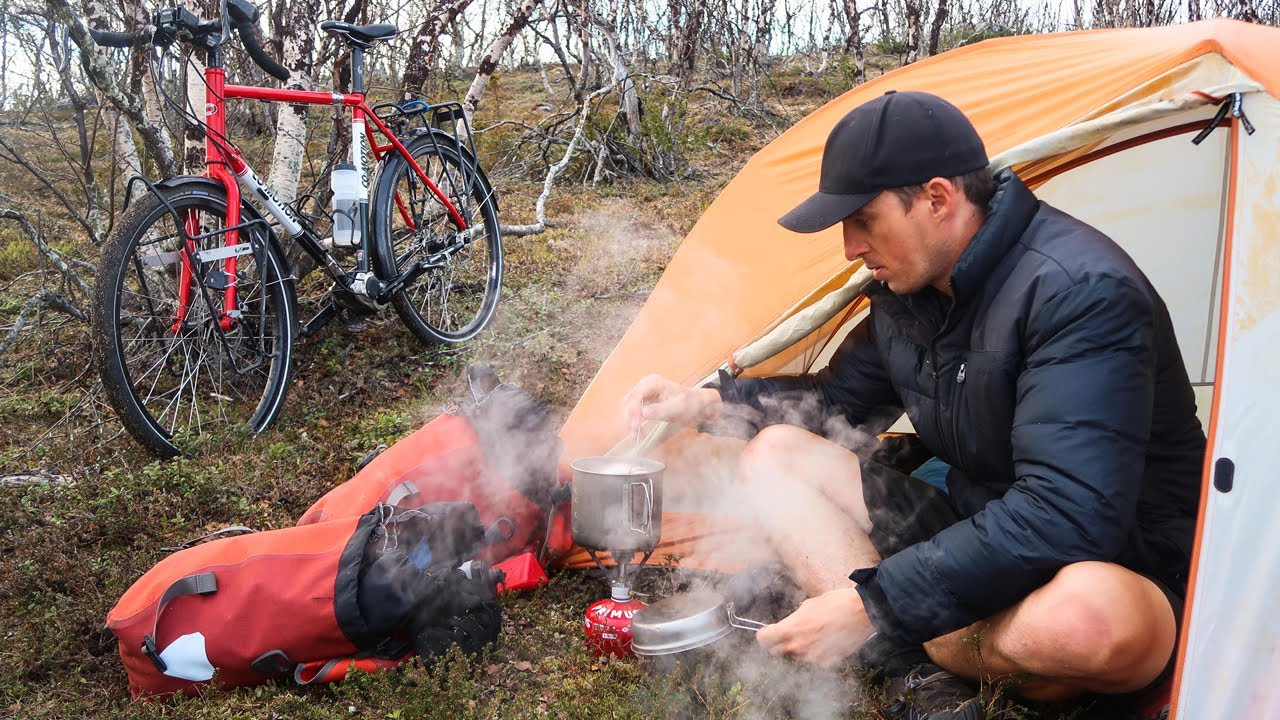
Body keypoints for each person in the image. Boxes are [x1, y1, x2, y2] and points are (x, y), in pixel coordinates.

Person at [621, 91, 1205, 720]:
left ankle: (881, 631)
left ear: (936, 199)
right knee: (777, 454)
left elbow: (1067, 516)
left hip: (1117, 562)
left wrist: (872, 605)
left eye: (863, 220)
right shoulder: (907, 293)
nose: (849, 246)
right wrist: (707, 402)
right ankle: (919, 676)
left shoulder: (1079, 293)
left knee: (1090, 623)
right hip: (975, 526)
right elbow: (838, 407)